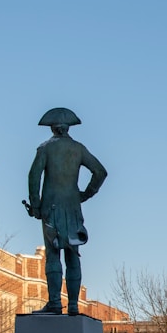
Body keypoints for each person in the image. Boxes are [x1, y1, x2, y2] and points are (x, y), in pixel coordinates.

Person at [26, 107, 107, 315]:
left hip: (50, 208)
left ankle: (54, 302)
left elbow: (34, 176)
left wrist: (36, 206)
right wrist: (85, 194)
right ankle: (72, 304)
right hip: (72, 207)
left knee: (53, 255)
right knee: (73, 254)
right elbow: (100, 172)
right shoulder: (78, 148)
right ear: (68, 128)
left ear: (53, 128)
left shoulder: (45, 148)